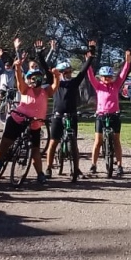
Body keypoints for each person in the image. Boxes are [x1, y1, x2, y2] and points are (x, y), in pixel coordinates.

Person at [0, 44, 60, 184]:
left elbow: (54, 87)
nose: (35, 80)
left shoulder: (44, 91)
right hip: (18, 119)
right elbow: (19, 81)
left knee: (35, 149)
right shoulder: (26, 89)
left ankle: (40, 173)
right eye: (32, 78)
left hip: (35, 123)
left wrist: (57, 76)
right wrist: (17, 68)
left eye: (38, 77)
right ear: (29, 80)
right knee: (6, 141)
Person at [45, 41, 95, 180]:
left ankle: (76, 168)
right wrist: (48, 52)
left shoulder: (74, 82)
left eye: (70, 71)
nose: (68, 74)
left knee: (74, 144)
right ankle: (48, 168)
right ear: (60, 73)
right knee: (53, 142)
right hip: (57, 115)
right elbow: (46, 68)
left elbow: (84, 70)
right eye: (66, 72)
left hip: (71, 115)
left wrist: (91, 55)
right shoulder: (56, 83)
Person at [87, 49, 131, 177]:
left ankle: (119, 165)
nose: (107, 79)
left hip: (114, 115)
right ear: (100, 78)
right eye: (104, 77)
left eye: (109, 77)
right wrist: (88, 62)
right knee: (98, 141)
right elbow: (90, 76)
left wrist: (127, 62)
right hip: (101, 115)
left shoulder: (116, 85)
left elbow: (123, 74)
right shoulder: (98, 85)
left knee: (117, 140)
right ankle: (93, 164)